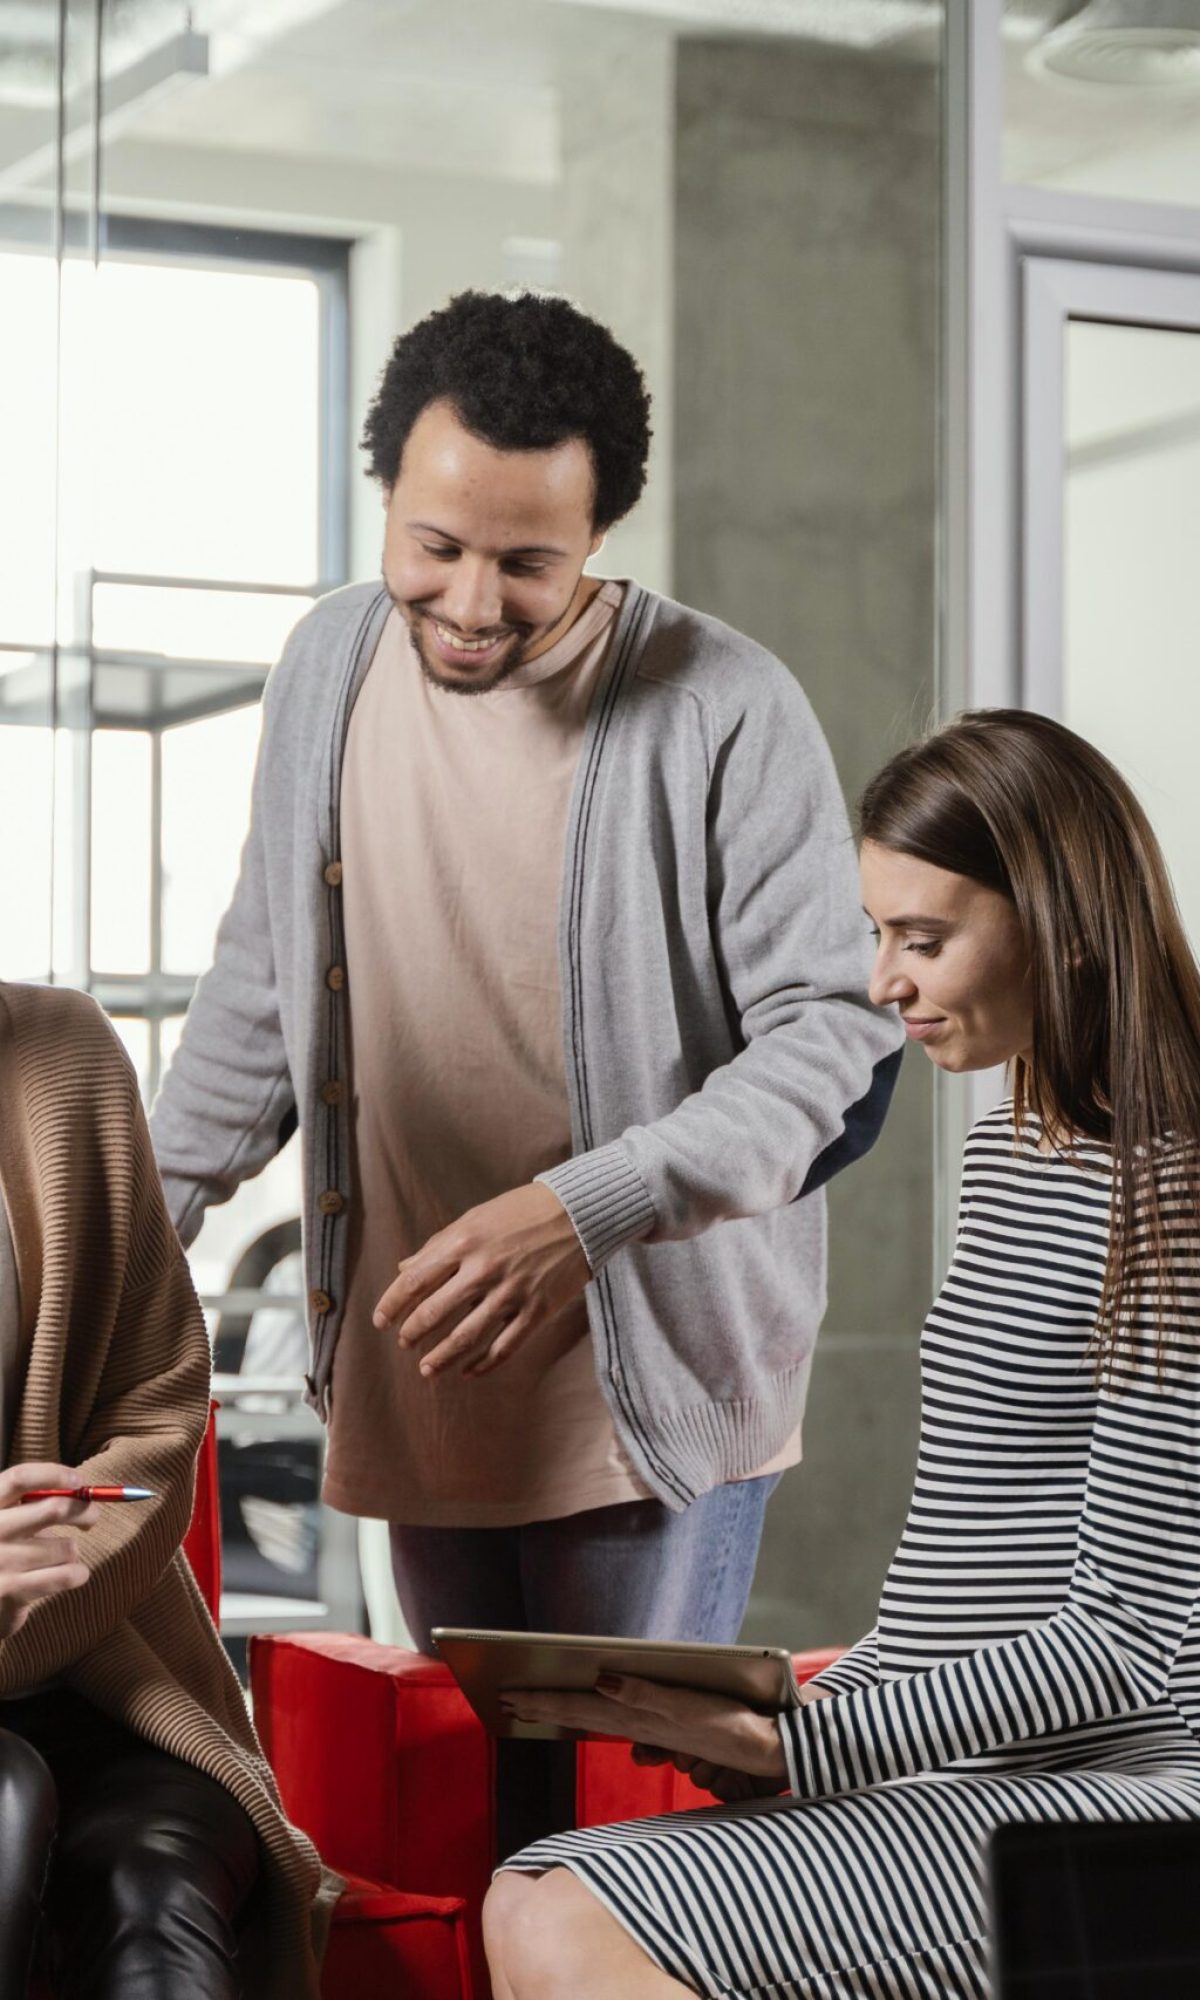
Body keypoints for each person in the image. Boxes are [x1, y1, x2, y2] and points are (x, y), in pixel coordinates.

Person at [150, 288, 902, 1671]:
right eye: (435, 547)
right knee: (459, 1834)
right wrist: (114, 1236)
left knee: (610, 1853)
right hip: (423, 1386)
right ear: (382, 492)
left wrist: (580, 1213)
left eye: (529, 563)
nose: (474, 603)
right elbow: (259, 993)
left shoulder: (724, 705)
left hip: (649, 1399)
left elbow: (833, 1035)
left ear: (600, 536)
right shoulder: (326, 665)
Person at [482, 708, 1200, 1999]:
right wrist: (773, 1707)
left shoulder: (1176, 1203)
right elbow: (968, 1573)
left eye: (923, 940)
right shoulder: (1012, 1159)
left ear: (1068, 924)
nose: (884, 985)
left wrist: (812, 1746)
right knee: (544, 1883)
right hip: (979, 1768)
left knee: (561, 1907)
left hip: (1131, 1791)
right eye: (878, 937)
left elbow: (1137, 1638)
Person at [0, 981, 335, 1998]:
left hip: (91, 1673)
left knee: (158, 1877)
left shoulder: (60, 1052)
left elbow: (155, 1418)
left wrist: (33, 1584)